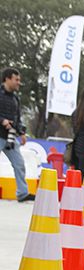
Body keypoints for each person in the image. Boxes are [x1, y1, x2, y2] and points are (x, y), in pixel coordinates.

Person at [1, 67, 33, 202]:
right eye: (16, 80)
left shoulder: (15, 98)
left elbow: (18, 118)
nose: (19, 82)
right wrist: (2, 121)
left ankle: (22, 193)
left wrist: (22, 133)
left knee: (19, 164)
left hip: (11, 137)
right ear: (7, 79)